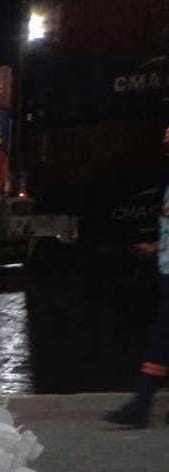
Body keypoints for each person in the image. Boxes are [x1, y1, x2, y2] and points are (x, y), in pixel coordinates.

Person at [104, 125, 169, 429]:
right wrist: (155, 248)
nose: (165, 139)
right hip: (166, 269)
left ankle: (141, 406)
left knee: (161, 338)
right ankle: (141, 406)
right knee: (162, 339)